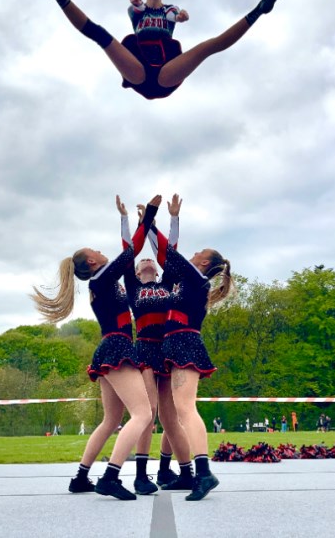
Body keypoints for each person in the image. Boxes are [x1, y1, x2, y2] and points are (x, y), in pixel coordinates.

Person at [31, 196, 162, 500]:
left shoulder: (101, 282)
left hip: (108, 349)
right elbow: (129, 253)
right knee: (143, 415)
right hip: (117, 348)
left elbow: (128, 254)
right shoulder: (102, 279)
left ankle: (80, 477)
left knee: (112, 421)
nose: (102, 252)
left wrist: (132, 221)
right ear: (91, 262)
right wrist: (149, 216)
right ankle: (111, 476)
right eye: (97, 251)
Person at [34, 0, 284, 100]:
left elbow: (176, 16)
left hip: (166, 72)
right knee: (99, 34)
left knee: (209, 46)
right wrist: (136, 0)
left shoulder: (169, 10)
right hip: (139, 70)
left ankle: (260, 8)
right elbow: (137, 7)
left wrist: (182, 16)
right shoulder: (135, 7)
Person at [151, 196, 233, 501]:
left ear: (203, 263)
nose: (194, 252)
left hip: (185, 343)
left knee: (185, 409)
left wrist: (153, 218)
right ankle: (186, 473)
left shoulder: (195, 278)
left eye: (199, 252)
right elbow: (165, 255)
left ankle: (204, 473)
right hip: (173, 343)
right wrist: (156, 222)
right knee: (169, 415)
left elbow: (165, 252)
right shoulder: (186, 278)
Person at [119, 200, 190, 492]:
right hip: (145, 350)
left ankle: (173, 470)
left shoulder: (166, 283)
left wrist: (169, 221)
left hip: (168, 351)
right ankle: (139, 475)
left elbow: (169, 253)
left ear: (157, 270)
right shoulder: (134, 288)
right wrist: (134, 222)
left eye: (151, 260)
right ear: (136, 273)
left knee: (170, 416)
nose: (147, 259)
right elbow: (128, 250)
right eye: (142, 261)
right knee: (147, 413)